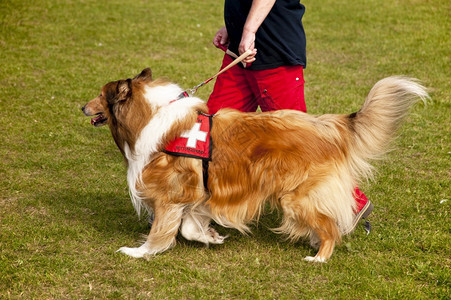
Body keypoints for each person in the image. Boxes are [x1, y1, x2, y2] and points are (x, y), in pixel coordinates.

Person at [207, 0, 373, 233]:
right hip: (243, 49)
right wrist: (233, 26)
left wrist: (248, 30)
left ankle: (352, 203)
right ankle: (199, 206)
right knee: (210, 132)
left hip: (272, 51)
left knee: (300, 143)